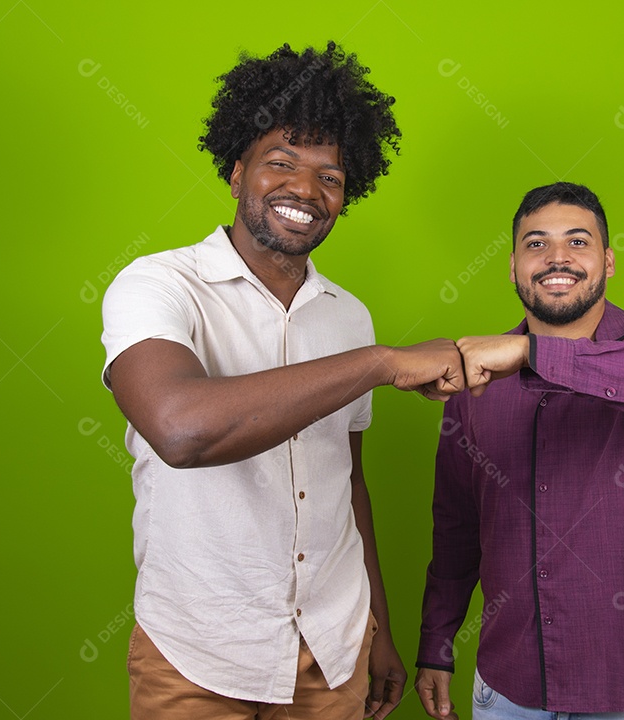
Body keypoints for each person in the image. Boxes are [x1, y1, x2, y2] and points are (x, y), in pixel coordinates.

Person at [101, 41, 465, 720]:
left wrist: (376, 631)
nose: (306, 189)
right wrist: (383, 362)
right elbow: (181, 430)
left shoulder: (349, 317)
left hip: (333, 649)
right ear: (237, 173)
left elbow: (345, 484)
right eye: (282, 163)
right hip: (196, 654)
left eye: (330, 176)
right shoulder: (157, 285)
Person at [415, 182, 624, 719]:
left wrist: (535, 354)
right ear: (513, 267)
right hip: (508, 693)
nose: (557, 257)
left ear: (608, 262)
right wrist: (437, 646)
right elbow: (456, 530)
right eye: (535, 244)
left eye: (578, 242)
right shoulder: (475, 383)